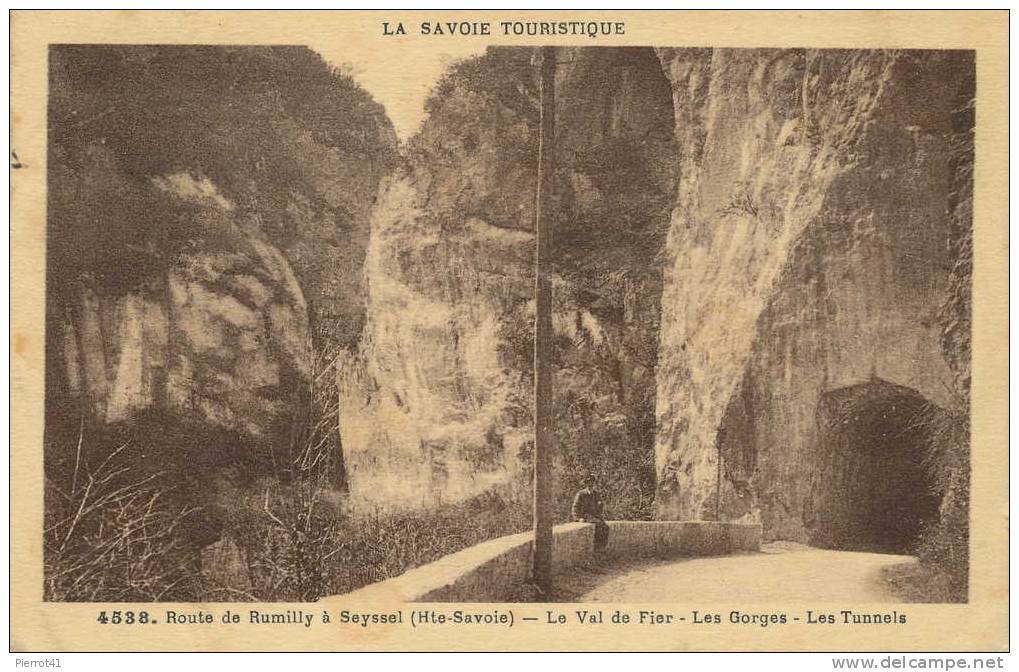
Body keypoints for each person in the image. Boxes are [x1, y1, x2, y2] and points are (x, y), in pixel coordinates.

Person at [571, 475, 609, 551]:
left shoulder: (595, 494)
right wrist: (578, 518)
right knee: (599, 525)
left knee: (606, 527)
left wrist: (599, 507)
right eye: (588, 482)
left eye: (592, 482)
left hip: (594, 516)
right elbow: (575, 507)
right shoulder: (581, 494)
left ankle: (602, 548)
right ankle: (597, 548)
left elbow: (600, 505)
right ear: (586, 484)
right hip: (586, 516)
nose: (590, 484)